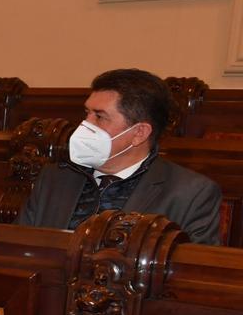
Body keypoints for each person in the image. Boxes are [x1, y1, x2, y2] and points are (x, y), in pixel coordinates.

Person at [16, 68, 222, 245]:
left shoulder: (191, 193)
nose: (84, 125)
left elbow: (191, 276)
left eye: (99, 116)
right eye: (86, 113)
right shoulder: (55, 177)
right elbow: (19, 250)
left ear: (139, 133)